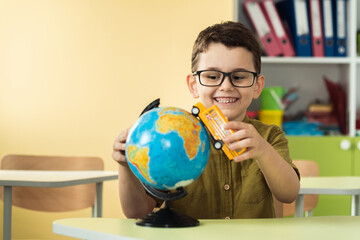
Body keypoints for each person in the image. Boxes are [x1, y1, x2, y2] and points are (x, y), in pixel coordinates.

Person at [112, 21, 300, 219]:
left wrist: (263, 151)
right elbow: (137, 212)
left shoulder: (269, 137)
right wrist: (126, 166)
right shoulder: (171, 137)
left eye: (239, 77)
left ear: (257, 86)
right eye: (212, 76)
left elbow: (288, 194)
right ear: (194, 85)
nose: (226, 86)